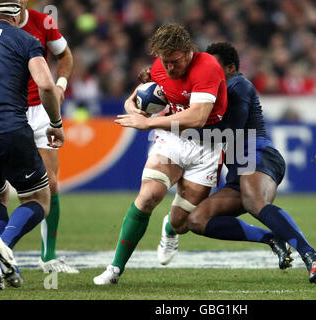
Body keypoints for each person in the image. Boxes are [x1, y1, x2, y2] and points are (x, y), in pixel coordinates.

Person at [158, 42, 316, 283]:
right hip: (238, 168)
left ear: (230, 68)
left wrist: (177, 126)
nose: (208, 72)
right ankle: (272, 238)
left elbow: (230, 130)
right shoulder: (211, 90)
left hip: (256, 153)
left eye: (214, 66)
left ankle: (310, 252)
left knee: (254, 201)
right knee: (196, 220)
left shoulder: (238, 85)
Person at [93, 23, 228, 285]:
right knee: (148, 197)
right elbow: (136, 99)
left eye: (174, 61)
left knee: (181, 222)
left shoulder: (207, 66)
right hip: (173, 139)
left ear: (188, 52)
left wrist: (149, 123)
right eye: (164, 61)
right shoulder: (161, 66)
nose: (169, 68)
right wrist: (132, 106)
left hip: (209, 146)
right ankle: (115, 269)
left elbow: (198, 116)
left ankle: (169, 228)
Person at [0, 0, 64, 289]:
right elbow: (46, 85)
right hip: (10, 128)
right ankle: (3, 244)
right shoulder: (25, 39)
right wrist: (56, 123)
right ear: (17, 15)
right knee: (38, 199)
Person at [15, 0, 77, 274]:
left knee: (50, 185)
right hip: (8, 108)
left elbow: (65, 56)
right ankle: (5, 250)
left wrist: (60, 86)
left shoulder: (43, 22)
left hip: (40, 111)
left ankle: (48, 256)